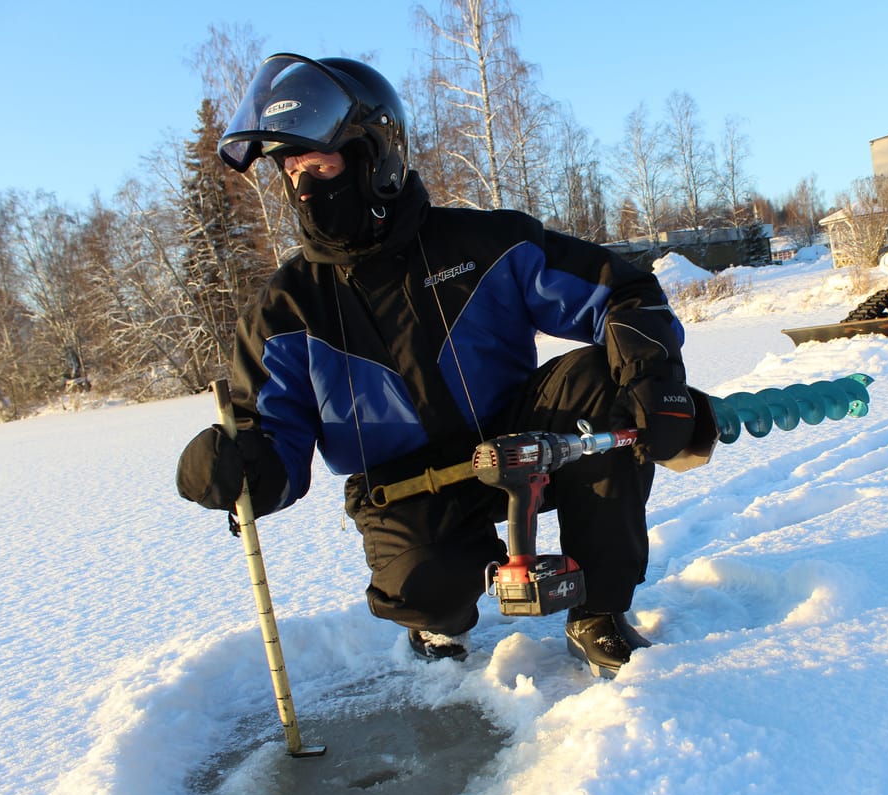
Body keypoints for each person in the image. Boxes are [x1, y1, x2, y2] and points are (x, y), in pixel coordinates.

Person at [175, 53, 698, 678]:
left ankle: (599, 612)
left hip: (525, 442)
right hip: (407, 486)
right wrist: (234, 469)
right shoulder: (286, 308)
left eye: (320, 165)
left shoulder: (481, 245)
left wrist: (653, 377)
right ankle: (438, 622)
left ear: (375, 156)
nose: (304, 187)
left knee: (592, 380)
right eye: (292, 172)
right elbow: (270, 439)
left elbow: (620, 290)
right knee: (428, 587)